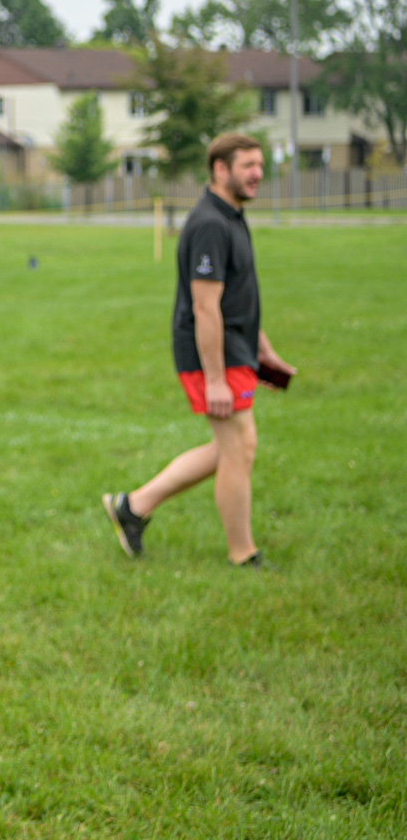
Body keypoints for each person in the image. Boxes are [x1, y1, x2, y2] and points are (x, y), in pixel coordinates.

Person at [103, 133, 295, 568]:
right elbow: (205, 308)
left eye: (260, 164)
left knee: (235, 447)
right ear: (219, 169)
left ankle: (132, 507)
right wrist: (214, 380)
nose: (257, 173)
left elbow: (239, 297)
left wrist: (264, 351)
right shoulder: (210, 223)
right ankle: (242, 553)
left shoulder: (231, 217)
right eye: (247, 165)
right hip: (211, 355)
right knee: (238, 447)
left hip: (236, 349)